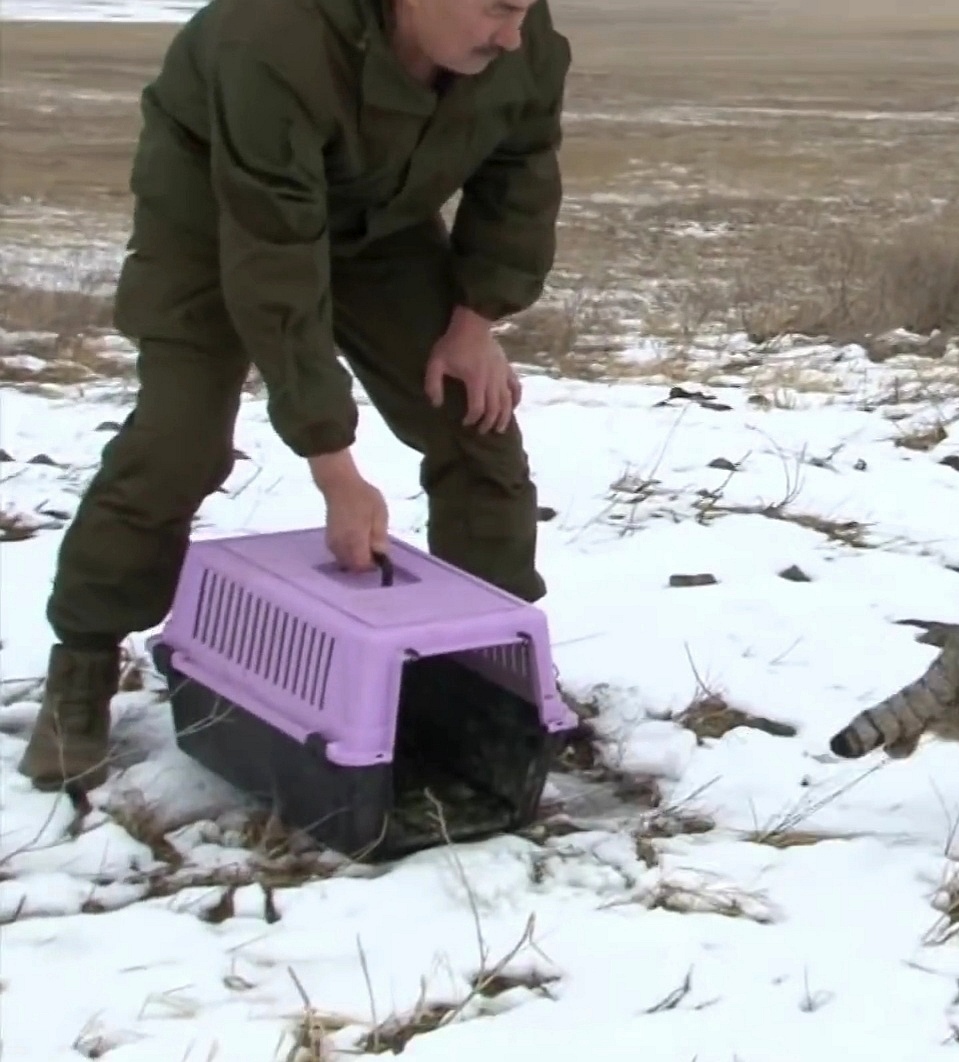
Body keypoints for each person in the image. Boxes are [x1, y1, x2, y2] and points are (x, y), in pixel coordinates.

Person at [18, 0, 571, 793]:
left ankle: (490, 674)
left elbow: (522, 167)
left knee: (474, 422)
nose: (514, 34)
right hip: (217, 219)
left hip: (375, 224)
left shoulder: (517, 31)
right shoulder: (273, 38)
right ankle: (82, 666)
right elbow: (275, 256)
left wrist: (474, 318)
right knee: (178, 446)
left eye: (523, 8)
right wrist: (333, 467)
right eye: (497, 10)